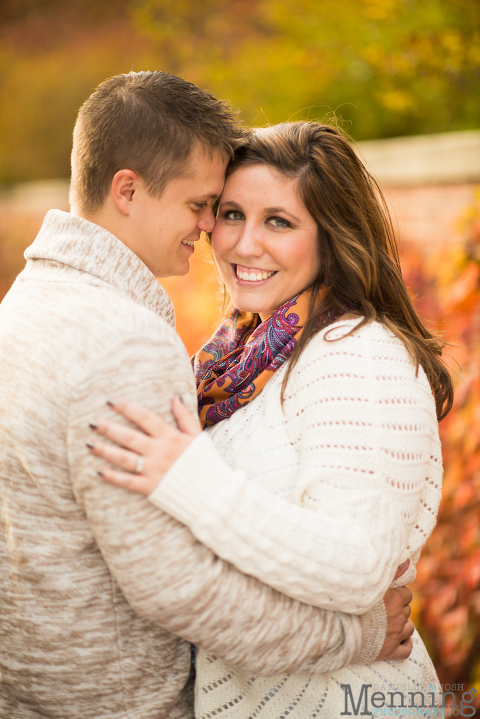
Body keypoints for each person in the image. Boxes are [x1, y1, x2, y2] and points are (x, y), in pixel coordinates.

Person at [0, 76, 412, 719]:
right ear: (128, 190)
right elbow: (174, 584)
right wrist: (353, 634)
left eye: (276, 220)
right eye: (214, 208)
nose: (217, 232)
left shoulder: (25, 305)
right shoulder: (136, 343)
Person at [89, 121, 453, 718]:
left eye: (278, 222)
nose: (243, 244)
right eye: (231, 214)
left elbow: (359, 564)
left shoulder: (358, 354)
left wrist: (190, 478)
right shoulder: (238, 358)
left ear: (330, 237)